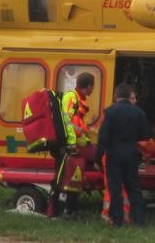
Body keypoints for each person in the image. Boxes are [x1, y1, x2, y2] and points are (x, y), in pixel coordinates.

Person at [95, 83, 150, 227]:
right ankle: (140, 221)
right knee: (134, 189)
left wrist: (97, 158)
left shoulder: (110, 112)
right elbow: (144, 135)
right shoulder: (139, 113)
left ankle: (117, 220)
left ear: (116, 96)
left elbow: (103, 138)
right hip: (132, 154)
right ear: (128, 95)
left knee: (115, 189)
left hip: (114, 155)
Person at [53, 72, 96, 216]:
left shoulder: (77, 98)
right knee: (75, 176)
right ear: (88, 86)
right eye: (93, 86)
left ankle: (72, 209)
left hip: (78, 143)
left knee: (76, 177)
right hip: (74, 145)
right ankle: (69, 210)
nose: (93, 89)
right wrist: (73, 141)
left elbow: (75, 122)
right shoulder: (72, 97)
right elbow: (67, 120)